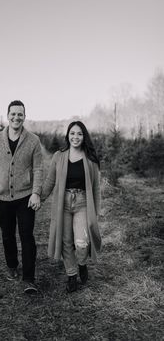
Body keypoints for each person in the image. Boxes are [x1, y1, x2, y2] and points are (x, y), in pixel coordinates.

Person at [0, 100, 43, 294]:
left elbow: (38, 169)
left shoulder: (33, 140)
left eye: (20, 114)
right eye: (13, 113)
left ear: (25, 116)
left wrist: (35, 193)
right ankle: (11, 265)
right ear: (8, 115)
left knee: (27, 237)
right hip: (2, 198)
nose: (16, 117)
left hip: (25, 197)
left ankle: (29, 278)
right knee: (7, 235)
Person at [42, 121, 101, 293]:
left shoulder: (90, 159)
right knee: (66, 241)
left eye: (79, 134)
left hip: (83, 202)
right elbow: (50, 181)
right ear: (68, 135)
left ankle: (82, 264)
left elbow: (96, 187)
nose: (76, 137)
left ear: (84, 137)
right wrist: (39, 197)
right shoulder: (59, 156)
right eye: (72, 133)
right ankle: (71, 275)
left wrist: (95, 212)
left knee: (82, 242)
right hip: (63, 203)